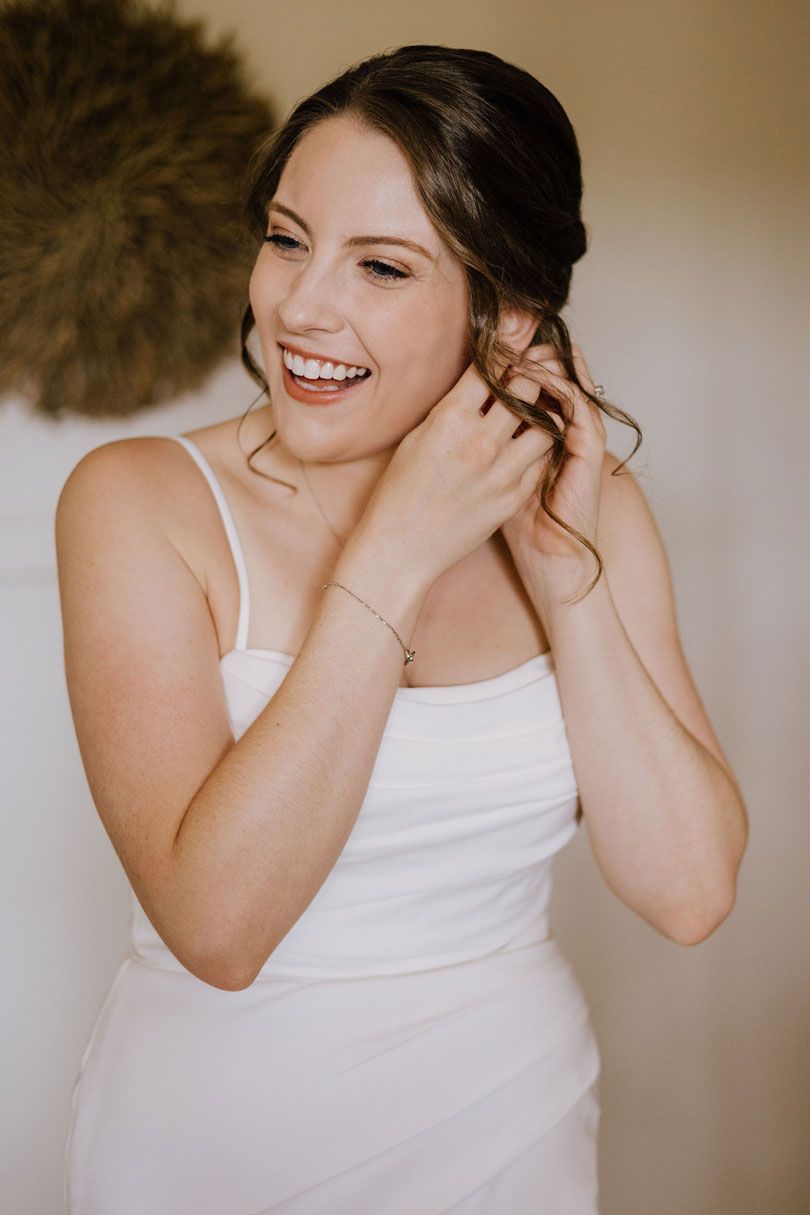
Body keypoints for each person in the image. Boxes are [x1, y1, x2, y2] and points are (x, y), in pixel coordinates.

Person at [57, 44, 748, 1215]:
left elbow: (687, 890)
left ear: (509, 308)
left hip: (510, 1125)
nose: (300, 304)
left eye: (382, 266)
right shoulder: (139, 503)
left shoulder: (590, 511)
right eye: (287, 238)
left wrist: (558, 567)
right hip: (218, 1147)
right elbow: (219, 930)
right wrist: (396, 550)